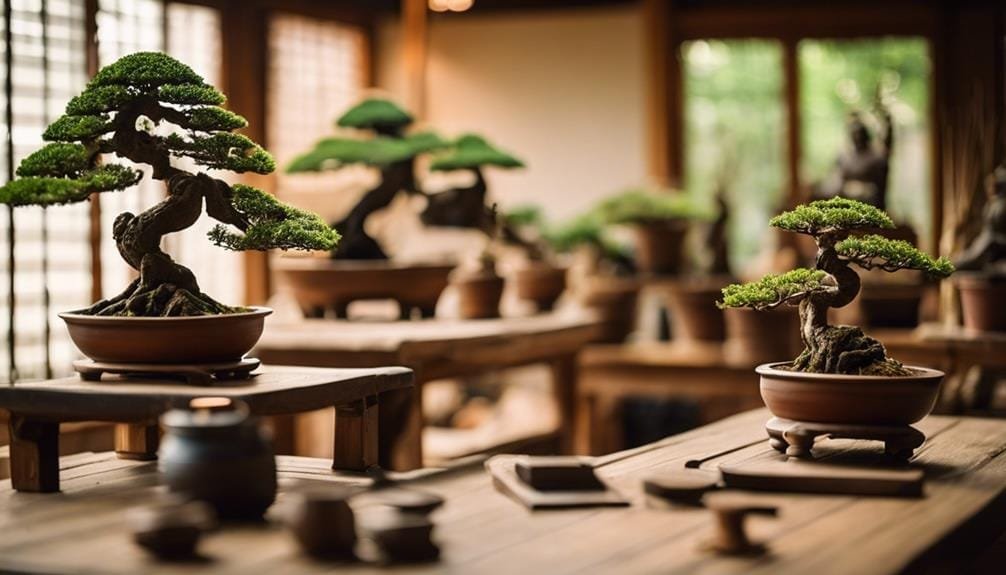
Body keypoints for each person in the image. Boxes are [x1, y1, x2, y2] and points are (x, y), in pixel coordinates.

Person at [815, 106, 893, 211]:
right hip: (846, 201)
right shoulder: (845, 156)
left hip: (869, 202)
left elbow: (879, 187)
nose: (857, 139)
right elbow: (837, 179)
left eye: (860, 135)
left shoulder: (876, 157)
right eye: (854, 136)